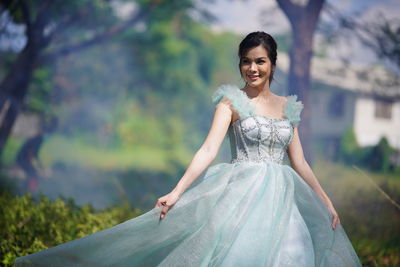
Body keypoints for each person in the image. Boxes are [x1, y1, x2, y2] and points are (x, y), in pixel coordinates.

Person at [15, 31, 362, 266]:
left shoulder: (289, 107)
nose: (252, 68)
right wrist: (177, 191)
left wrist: (325, 199)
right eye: (245, 61)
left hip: (284, 202)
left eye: (259, 61)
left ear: (272, 63)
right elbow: (208, 150)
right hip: (240, 197)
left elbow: (299, 161)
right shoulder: (231, 101)